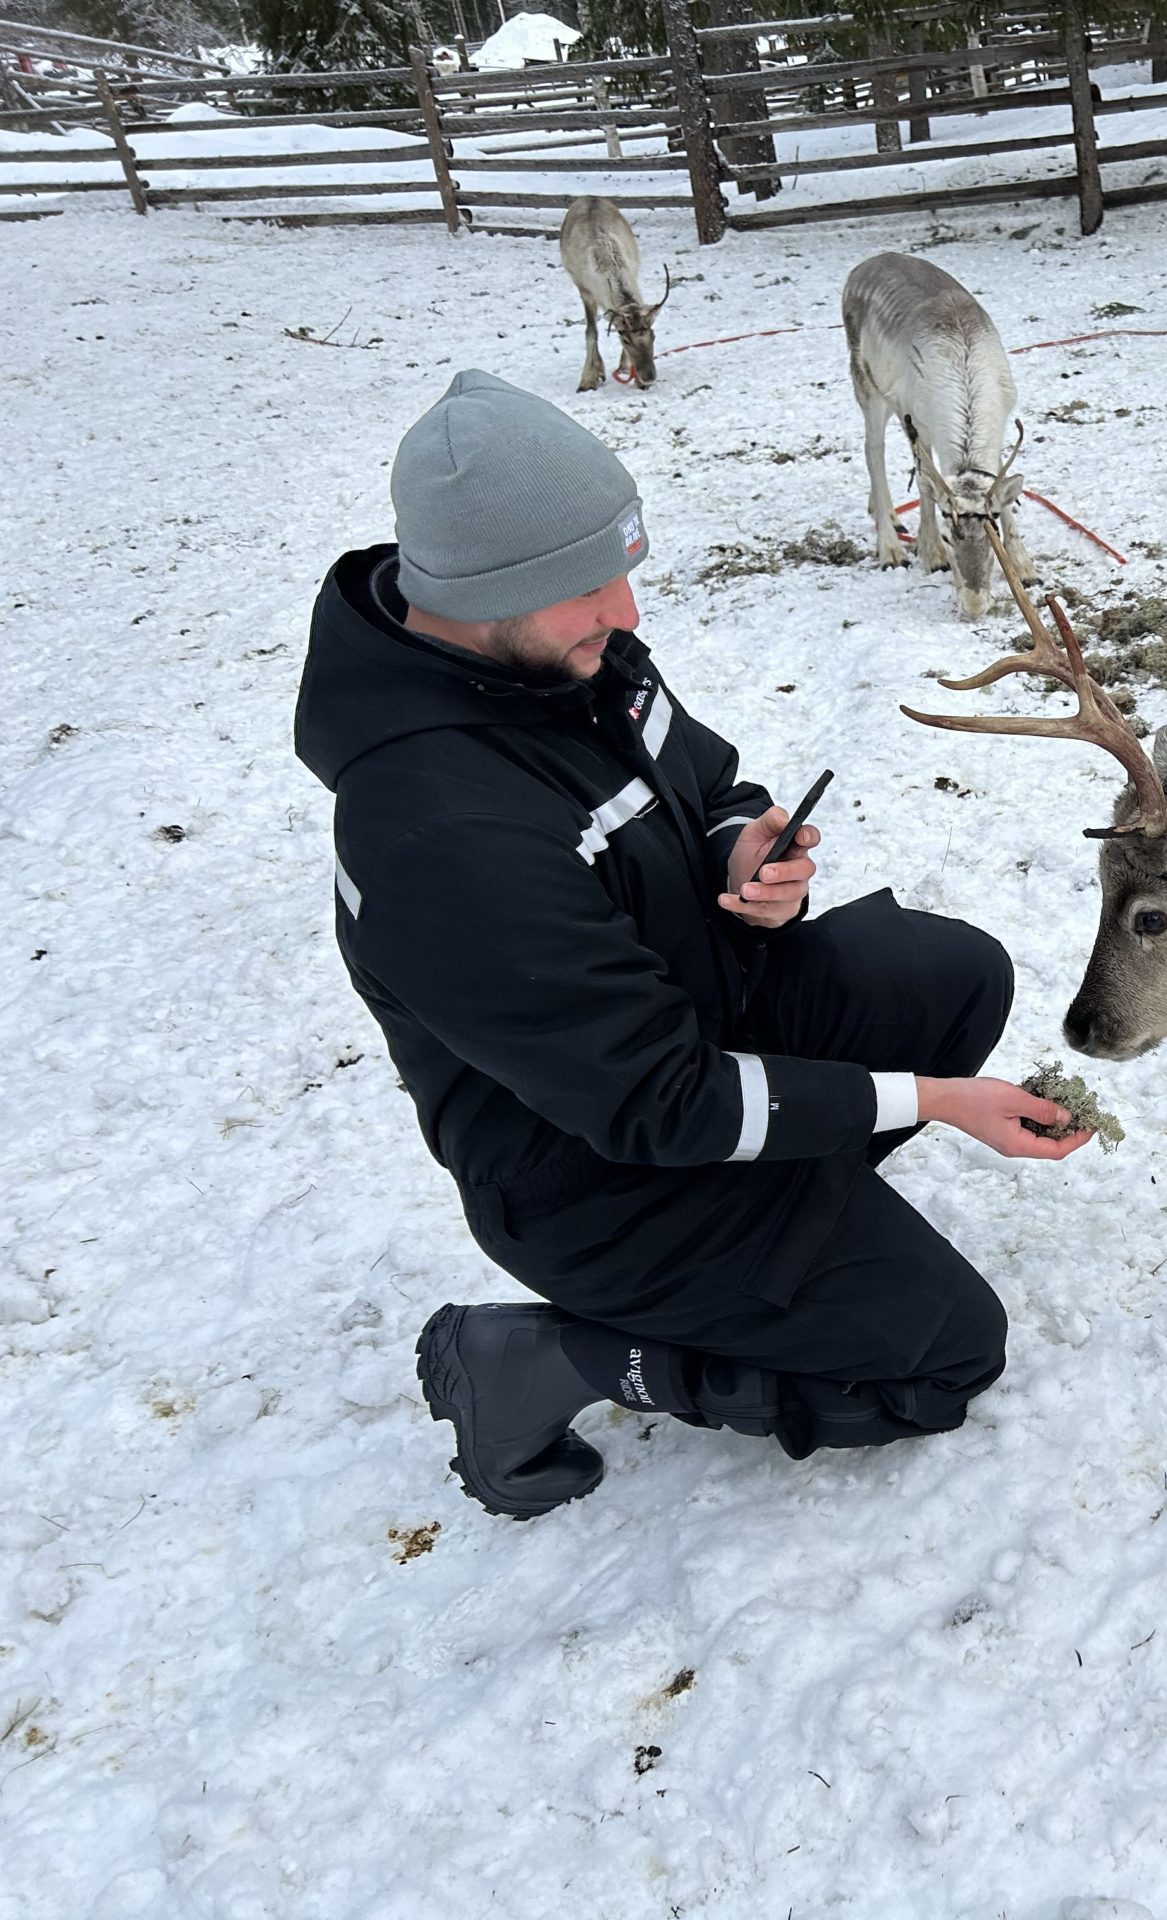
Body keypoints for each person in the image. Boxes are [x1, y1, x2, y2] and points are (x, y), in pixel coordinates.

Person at [293, 369, 1090, 1519]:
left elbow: (706, 777)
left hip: (697, 1029)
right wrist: (930, 1100)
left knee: (952, 972)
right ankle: (549, 1359)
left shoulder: (562, 652)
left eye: (620, 567)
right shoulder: (437, 830)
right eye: (584, 586)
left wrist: (734, 849)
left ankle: (783, 1242)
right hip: (598, 1177)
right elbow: (661, 1104)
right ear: (480, 593)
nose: (624, 612)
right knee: (937, 1353)